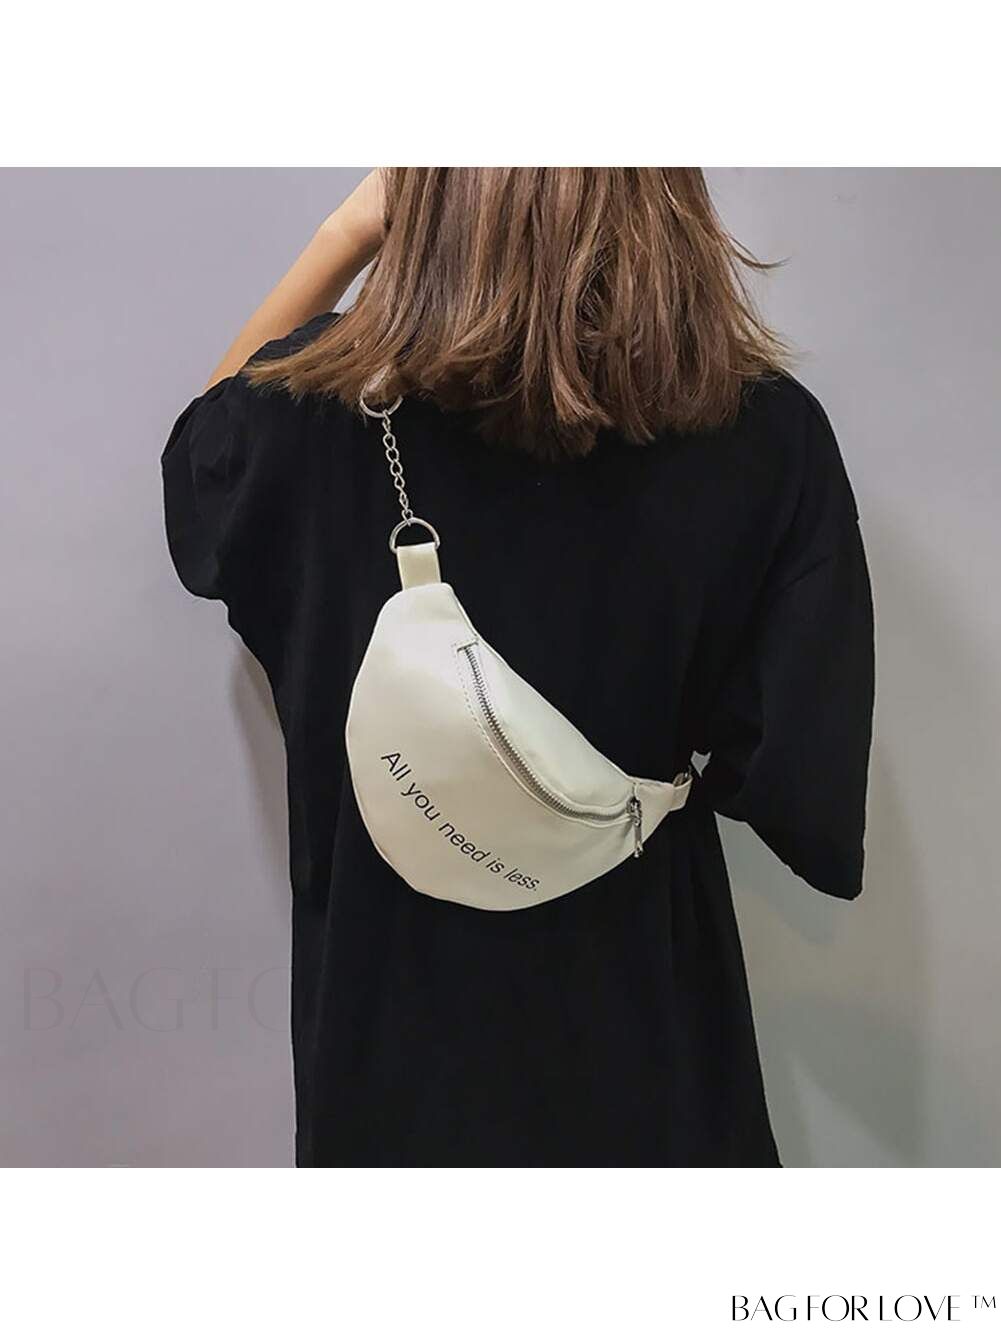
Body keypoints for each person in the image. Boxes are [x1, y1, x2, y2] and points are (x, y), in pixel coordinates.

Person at [162, 168, 874, 1166]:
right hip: (646, 1019)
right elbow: (790, 769)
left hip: (388, 1040)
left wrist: (346, 231)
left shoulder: (307, 418)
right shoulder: (765, 432)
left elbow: (199, 472)